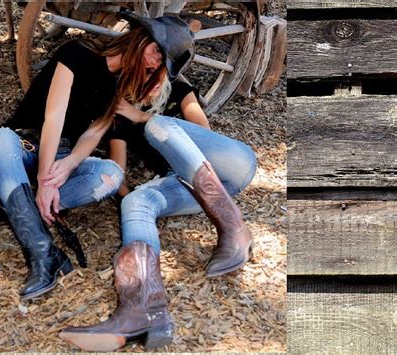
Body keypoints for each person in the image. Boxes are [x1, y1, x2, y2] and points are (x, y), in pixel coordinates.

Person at [0, 10, 193, 301]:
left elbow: (93, 133)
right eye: (155, 52)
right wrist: (46, 182)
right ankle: (44, 253)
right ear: (140, 38)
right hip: (25, 144)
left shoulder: (122, 83)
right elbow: (54, 118)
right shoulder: (77, 52)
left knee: (110, 174)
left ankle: (2, 204)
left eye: (161, 61)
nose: (154, 62)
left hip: (63, 154)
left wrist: (70, 162)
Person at [58, 14, 257, 352]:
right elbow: (117, 168)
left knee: (158, 128)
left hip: (230, 166)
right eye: (149, 63)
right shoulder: (121, 114)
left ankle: (234, 228)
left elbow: (202, 131)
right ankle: (142, 309)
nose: (152, 70)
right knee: (136, 203)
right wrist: (125, 192)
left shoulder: (179, 89)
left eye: (161, 65)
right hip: (190, 190)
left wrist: (144, 118)